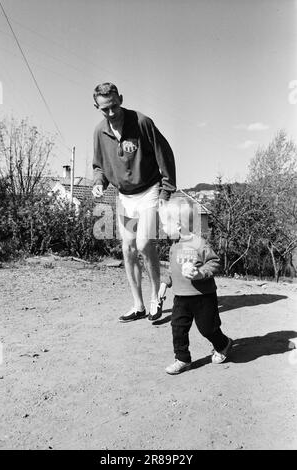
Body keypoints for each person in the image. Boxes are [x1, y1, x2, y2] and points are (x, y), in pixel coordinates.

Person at [92, 82, 176, 322]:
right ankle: (138, 305)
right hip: (125, 198)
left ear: (120, 98)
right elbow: (99, 166)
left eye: (114, 106)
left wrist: (166, 191)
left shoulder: (141, 122)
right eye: (104, 109)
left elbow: (165, 154)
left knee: (143, 244)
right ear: (97, 106)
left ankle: (155, 298)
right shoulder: (100, 131)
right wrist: (99, 182)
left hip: (149, 191)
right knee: (128, 248)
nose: (111, 113)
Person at [158, 197, 232, 374]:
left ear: (177, 225)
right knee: (178, 328)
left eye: (164, 225)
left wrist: (199, 273)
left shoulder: (199, 244)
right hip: (181, 297)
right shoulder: (174, 245)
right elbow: (172, 269)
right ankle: (182, 358)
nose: (162, 229)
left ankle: (223, 344)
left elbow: (214, 262)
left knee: (208, 328)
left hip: (203, 296)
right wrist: (163, 286)